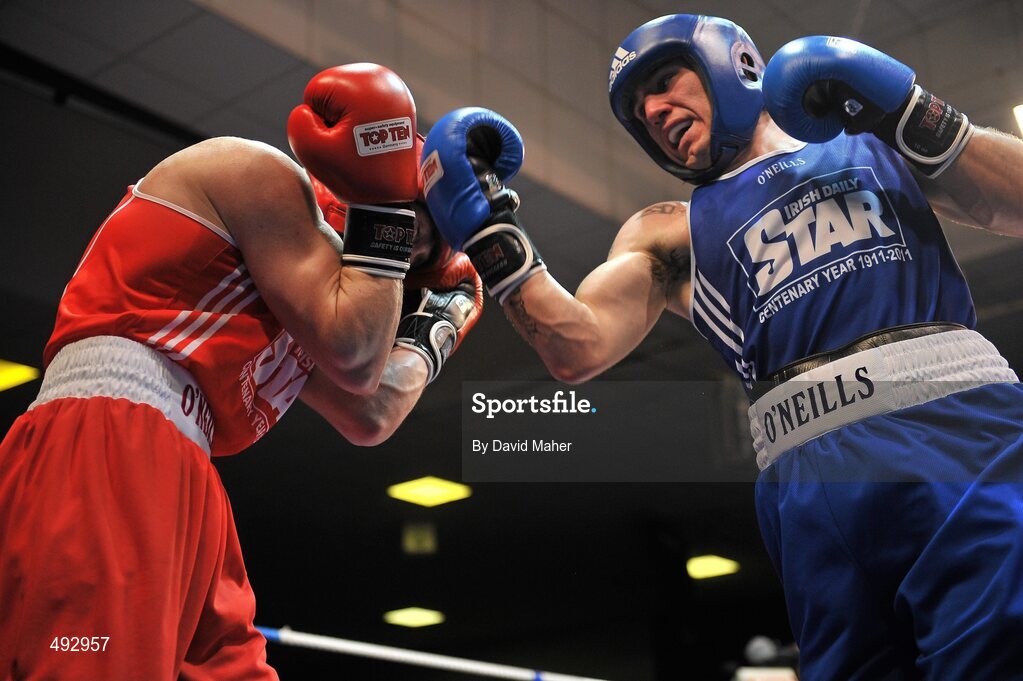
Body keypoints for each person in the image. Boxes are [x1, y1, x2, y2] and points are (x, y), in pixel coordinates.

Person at [418, 13, 1023, 680]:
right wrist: (489, 233)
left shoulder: (870, 140)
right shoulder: (665, 233)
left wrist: (910, 107)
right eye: (636, 108)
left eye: (664, 79)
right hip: (806, 486)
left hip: (951, 431)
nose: (651, 109)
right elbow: (575, 347)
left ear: (730, 64)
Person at [0, 63, 482, 680]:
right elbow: (359, 358)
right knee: (88, 663)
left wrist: (430, 334)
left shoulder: (298, 315)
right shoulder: (252, 171)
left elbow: (372, 411)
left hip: (183, 468)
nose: (401, 258)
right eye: (407, 232)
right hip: (111, 435)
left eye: (413, 257)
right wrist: (387, 202)